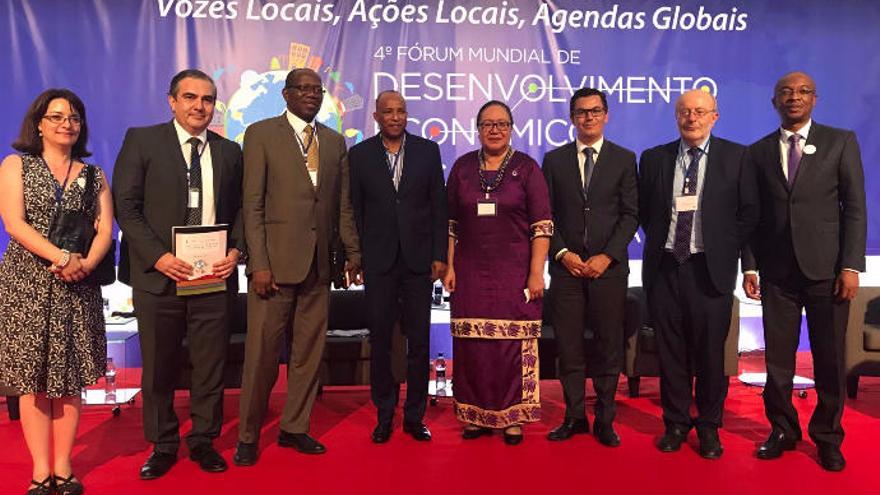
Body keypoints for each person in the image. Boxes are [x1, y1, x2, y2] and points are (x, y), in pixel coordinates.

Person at [113, 69, 244, 479]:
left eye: (207, 99)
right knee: (158, 365)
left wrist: (237, 250)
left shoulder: (229, 151)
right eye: (189, 97)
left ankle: (204, 439)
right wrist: (159, 256)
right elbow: (126, 207)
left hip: (212, 277)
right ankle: (163, 443)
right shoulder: (142, 140)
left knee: (210, 364)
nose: (198, 106)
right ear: (172, 101)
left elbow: (242, 209)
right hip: (159, 276)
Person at [235, 68, 361, 464]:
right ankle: (248, 435)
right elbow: (251, 204)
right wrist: (258, 262)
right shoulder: (259, 134)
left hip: (319, 266)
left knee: (309, 354)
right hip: (272, 268)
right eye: (303, 89)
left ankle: (295, 427)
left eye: (317, 90)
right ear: (286, 94)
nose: (311, 95)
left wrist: (352, 253)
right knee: (261, 357)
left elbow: (341, 206)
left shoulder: (334, 141)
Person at [742, 72, 866, 472]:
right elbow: (750, 217)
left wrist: (850, 265)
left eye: (803, 92)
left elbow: (856, 209)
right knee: (778, 360)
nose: (794, 98)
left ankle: (828, 436)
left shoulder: (840, 141)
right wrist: (750, 265)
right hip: (777, 273)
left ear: (815, 99)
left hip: (827, 271)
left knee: (828, 357)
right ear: (774, 101)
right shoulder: (757, 151)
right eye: (786, 92)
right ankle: (782, 430)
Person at [0, 89, 112, 495]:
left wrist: (85, 263)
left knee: (67, 381)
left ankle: (64, 469)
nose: (67, 123)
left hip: (77, 286)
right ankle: (40, 471)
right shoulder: (16, 165)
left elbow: (104, 230)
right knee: (33, 380)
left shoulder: (93, 175)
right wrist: (63, 258)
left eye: (74, 118)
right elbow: (15, 223)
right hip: (26, 284)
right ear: (40, 123)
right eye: (58, 116)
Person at [639, 89, 758, 459]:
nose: (692, 118)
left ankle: (708, 427)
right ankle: (675, 423)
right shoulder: (654, 158)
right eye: (685, 112)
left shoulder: (738, 158)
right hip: (666, 269)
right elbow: (646, 212)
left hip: (711, 270)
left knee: (710, 355)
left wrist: (749, 265)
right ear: (677, 116)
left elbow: (749, 216)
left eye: (700, 112)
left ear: (714, 117)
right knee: (670, 353)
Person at [442, 100, 552, 445]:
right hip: (470, 273)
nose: (494, 129)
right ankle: (474, 415)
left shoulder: (527, 168)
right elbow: (450, 226)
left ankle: (512, 417)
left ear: (511, 128)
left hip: (514, 273)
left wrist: (536, 274)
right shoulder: (461, 168)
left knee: (510, 346)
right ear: (477, 128)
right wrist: (449, 266)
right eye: (488, 124)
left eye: (502, 124)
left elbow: (542, 226)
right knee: (473, 346)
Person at [541, 88, 638, 447]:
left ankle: (605, 420)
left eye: (595, 111)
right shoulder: (553, 161)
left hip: (608, 271)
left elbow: (631, 215)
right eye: (581, 112)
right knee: (569, 347)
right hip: (566, 270)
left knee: (608, 346)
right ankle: (574, 416)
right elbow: (544, 215)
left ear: (606, 115)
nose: (588, 118)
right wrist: (563, 253)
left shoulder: (624, 159)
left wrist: (606, 256)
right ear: (572, 117)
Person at [349, 90, 447, 443]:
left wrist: (440, 254)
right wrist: (356, 257)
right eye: (388, 111)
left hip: (419, 262)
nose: (395, 117)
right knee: (381, 342)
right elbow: (355, 212)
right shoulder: (359, 155)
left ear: (407, 115)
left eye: (401, 111)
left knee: (419, 341)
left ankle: (415, 416)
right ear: (376, 116)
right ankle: (384, 413)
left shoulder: (427, 151)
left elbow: (439, 206)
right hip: (379, 262)